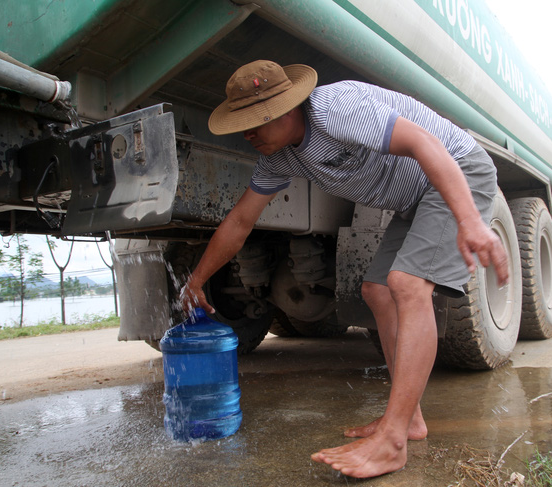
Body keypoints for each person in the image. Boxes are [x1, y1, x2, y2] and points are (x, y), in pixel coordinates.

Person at [181, 60, 509, 478]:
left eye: (255, 122)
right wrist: (197, 278)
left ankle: (392, 441)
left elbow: (427, 144)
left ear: (287, 108)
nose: (248, 133)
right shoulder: (281, 160)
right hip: (415, 200)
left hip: (455, 170)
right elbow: (240, 222)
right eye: (242, 123)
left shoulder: (336, 108)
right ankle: (409, 419)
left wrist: (470, 221)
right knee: (376, 290)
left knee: (407, 284)